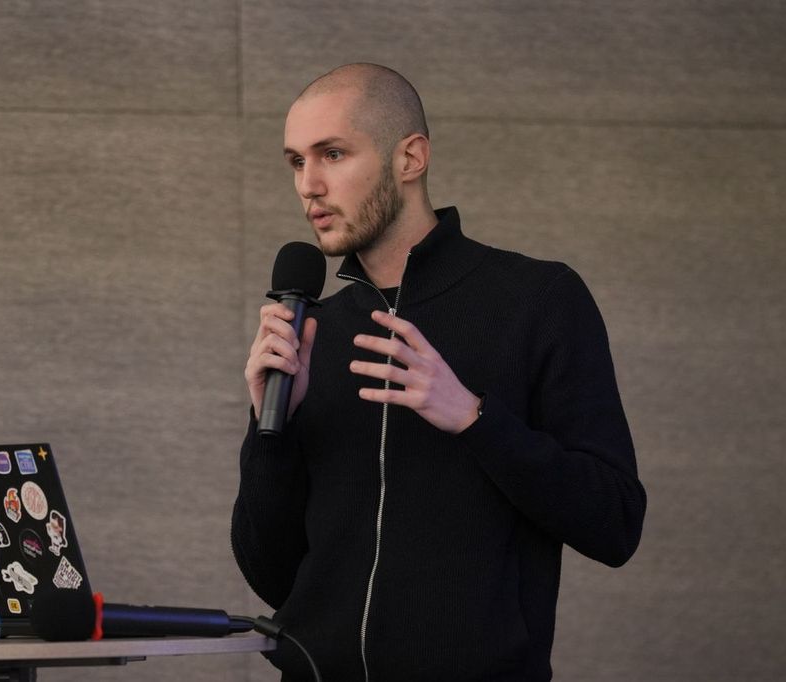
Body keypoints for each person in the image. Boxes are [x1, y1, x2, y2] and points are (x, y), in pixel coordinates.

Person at [231, 63, 646, 682]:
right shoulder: (318, 331)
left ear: (411, 158)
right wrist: (272, 435)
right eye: (296, 161)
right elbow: (275, 577)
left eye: (333, 154)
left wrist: (475, 419)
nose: (309, 185)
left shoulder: (537, 300)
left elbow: (614, 523)